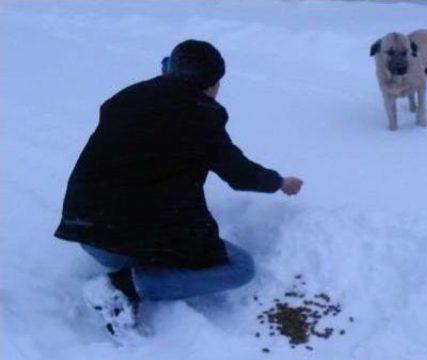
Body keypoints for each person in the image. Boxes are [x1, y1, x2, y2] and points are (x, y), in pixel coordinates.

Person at [54, 40, 303, 339]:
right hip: (129, 236)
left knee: (150, 226)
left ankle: (133, 267)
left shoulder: (126, 97)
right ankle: (123, 287)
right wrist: (280, 183)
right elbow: (239, 174)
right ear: (211, 85)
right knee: (241, 268)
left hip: (87, 233)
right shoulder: (201, 117)